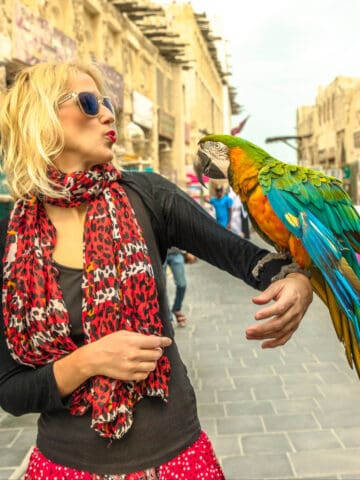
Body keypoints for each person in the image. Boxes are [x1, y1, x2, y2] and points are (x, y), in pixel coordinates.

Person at [0, 61, 313, 480]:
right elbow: (12, 390)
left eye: (108, 103)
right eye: (89, 103)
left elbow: (249, 259)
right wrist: (89, 360)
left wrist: (296, 279)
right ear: (40, 117)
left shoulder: (149, 197)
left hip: (177, 460)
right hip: (65, 466)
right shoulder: (11, 239)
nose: (109, 115)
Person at [163, 247, 196, 327]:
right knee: (162, 287)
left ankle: (176, 308)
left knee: (182, 284)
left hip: (176, 252)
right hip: (159, 254)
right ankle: (168, 317)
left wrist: (190, 251)